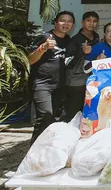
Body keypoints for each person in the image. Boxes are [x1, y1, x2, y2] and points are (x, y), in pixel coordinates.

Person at [28, 11, 75, 143]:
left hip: (59, 85)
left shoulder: (68, 40)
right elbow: (29, 60)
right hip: (41, 83)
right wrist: (43, 48)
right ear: (55, 22)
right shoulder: (45, 37)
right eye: (63, 20)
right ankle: (34, 149)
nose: (66, 24)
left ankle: (44, 147)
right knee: (45, 116)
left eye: (69, 21)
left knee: (50, 119)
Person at [64, 11, 100, 122]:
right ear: (82, 22)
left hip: (91, 78)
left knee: (88, 109)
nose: (91, 24)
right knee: (74, 111)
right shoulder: (75, 40)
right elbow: (68, 63)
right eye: (88, 20)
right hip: (76, 80)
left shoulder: (96, 37)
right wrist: (82, 52)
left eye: (94, 21)